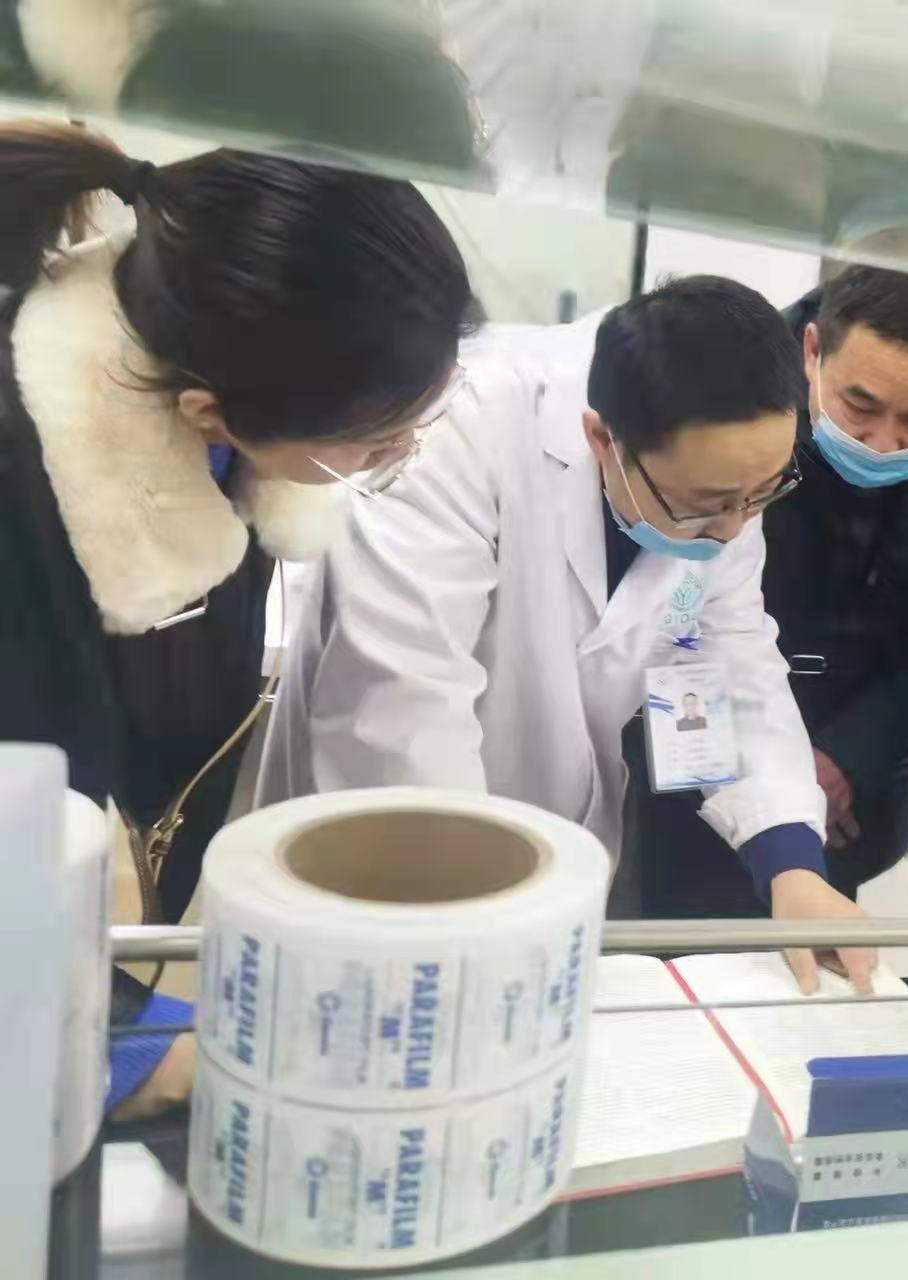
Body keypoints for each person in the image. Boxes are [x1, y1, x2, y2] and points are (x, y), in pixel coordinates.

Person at [0, 122, 479, 1114]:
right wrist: (131, 1047)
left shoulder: (234, 429)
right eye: (373, 443)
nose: (399, 457)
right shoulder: (21, 493)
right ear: (207, 412)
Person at [258, 276, 876, 994]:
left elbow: (725, 659)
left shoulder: (719, 474)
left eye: (761, 495)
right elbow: (405, 706)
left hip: (553, 866)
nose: (735, 528)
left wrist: (792, 866)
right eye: (708, 504)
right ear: (600, 438)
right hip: (397, 850)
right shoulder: (459, 429)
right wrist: (471, 906)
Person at [629, 265, 908, 917]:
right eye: (861, 407)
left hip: (850, 771)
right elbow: (690, 612)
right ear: (811, 351)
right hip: (703, 714)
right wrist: (724, 755)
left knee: (808, 927)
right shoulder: (733, 398)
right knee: (676, 914)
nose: (883, 444)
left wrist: (845, 758)